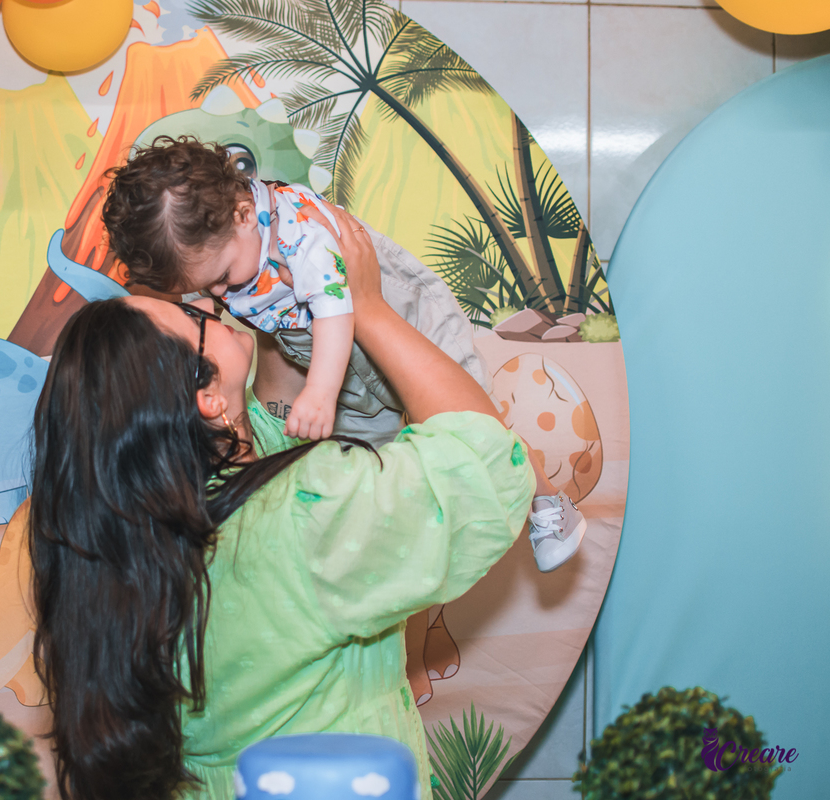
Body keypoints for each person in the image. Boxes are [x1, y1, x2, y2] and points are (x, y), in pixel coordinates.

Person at [28, 204, 535, 800]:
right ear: (206, 398)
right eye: (194, 313)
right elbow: (485, 461)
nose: (212, 303)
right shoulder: (303, 513)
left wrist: (286, 295)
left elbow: (273, 420)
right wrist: (365, 308)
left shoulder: (127, 546)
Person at [102, 136, 584, 573]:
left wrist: (320, 391)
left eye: (225, 276)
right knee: (369, 454)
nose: (222, 293)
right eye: (206, 288)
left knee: (474, 423)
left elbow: (338, 307)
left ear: (245, 213)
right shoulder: (219, 249)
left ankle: (548, 505)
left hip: (398, 315)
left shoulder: (298, 232)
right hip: (328, 358)